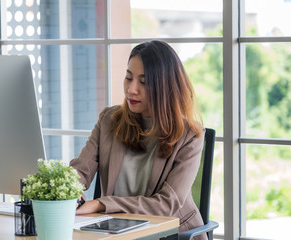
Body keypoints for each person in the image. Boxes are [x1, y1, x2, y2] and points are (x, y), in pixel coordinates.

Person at [70, 40, 207, 240]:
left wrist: (102, 204)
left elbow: (166, 205)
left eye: (144, 82)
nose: (131, 89)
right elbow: (80, 170)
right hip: (114, 233)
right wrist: (70, 191)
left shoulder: (190, 136)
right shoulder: (109, 120)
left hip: (169, 235)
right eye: (128, 77)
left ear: (166, 86)